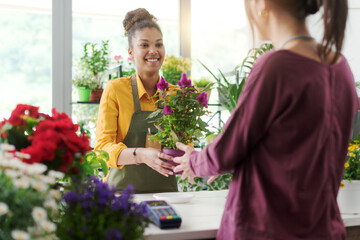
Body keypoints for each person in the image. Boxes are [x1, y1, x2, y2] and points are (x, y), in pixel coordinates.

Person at [173, 0, 358, 239]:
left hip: (267, 229)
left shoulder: (277, 66)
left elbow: (225, 151)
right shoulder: (340, 67)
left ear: (261, 4)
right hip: (321, 229)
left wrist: (194, 161)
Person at [95, 8, 178, 193]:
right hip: (121, 197)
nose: (153, 51)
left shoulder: (176, 95)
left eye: (159, 44)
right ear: (131, 53)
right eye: (144, 45)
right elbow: (102, 149)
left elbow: (186, 146)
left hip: (167, 196)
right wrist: (140, 154)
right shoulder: (115, 89)